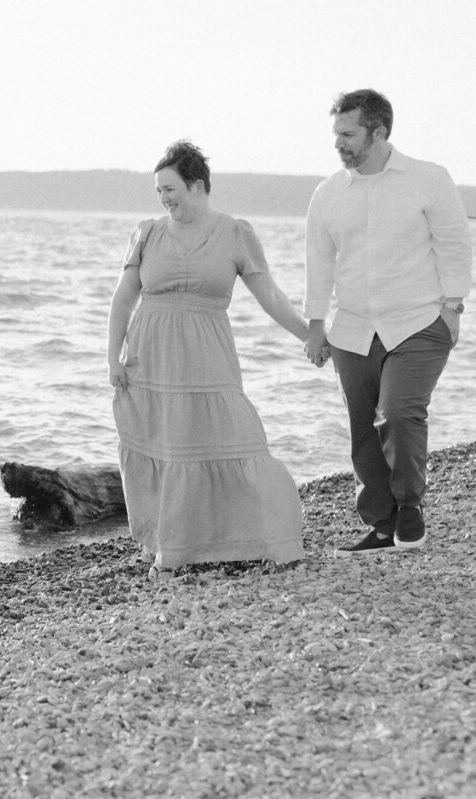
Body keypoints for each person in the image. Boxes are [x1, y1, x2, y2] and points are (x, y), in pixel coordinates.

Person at [107, 140, 308, 579]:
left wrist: (308, 334)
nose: (163, 198)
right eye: (158, 191)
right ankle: (171, 548)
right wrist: (113, 357)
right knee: (166, 449)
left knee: (237, 438)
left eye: (170, 188)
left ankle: (271, 535)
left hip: (208, 355)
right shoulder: (147, 233)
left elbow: (269, 296)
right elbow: (124, 298)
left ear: (198, 185)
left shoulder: (236, 233)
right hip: (150, 359)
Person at [304, 89, 473, 556]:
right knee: (363, 429)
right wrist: (316, 324)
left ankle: (410, 505)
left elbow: (455, 245)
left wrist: (452, 307)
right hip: (353, 327)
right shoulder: (328, 193)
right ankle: (382, 525)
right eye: (335, 133)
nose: (338, 143)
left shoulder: (428, 179)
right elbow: (319, 262)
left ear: (378, 132)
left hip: (418, 321)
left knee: (398, 413)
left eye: (348, 133)